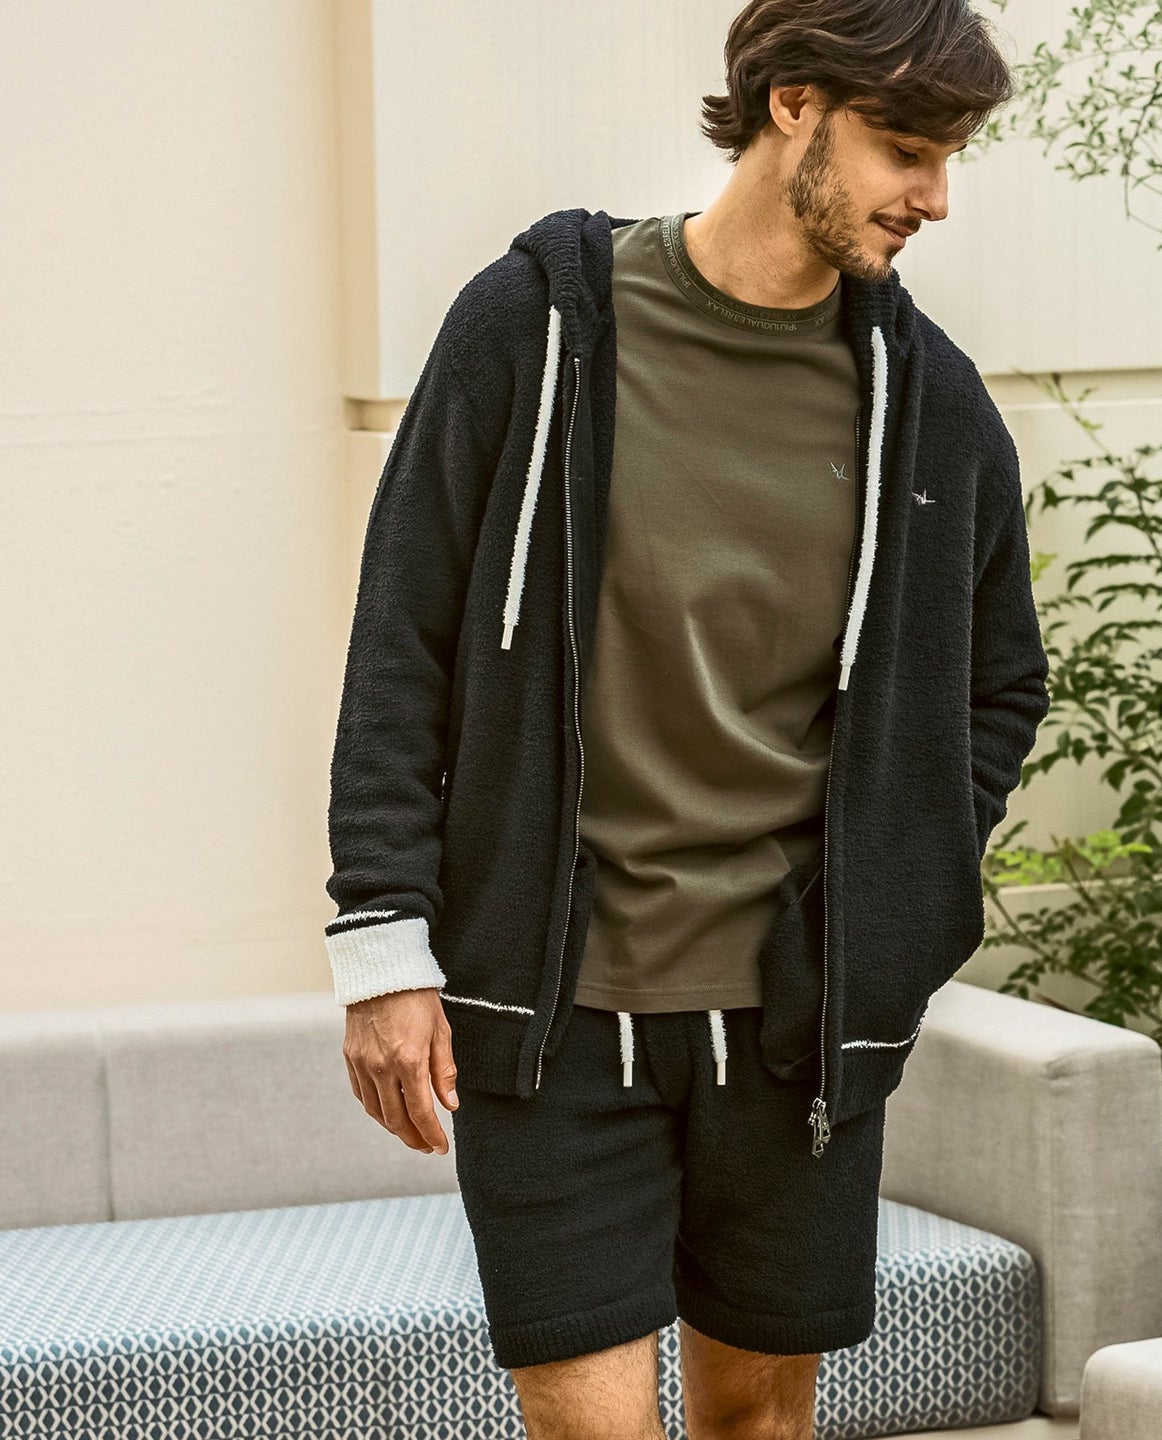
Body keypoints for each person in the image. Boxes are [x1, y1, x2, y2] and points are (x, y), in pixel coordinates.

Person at [324, 2, 1049, 1435]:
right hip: (550, 1011)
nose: (933, 197)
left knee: (759, 1424)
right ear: (794, 104)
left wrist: (896, 890)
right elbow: (404, 639)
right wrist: (382, 943)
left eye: (949, 159)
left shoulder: (930, 404)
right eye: (906, 149)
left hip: (795, 1027)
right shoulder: (539, 328)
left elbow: (997, 685)